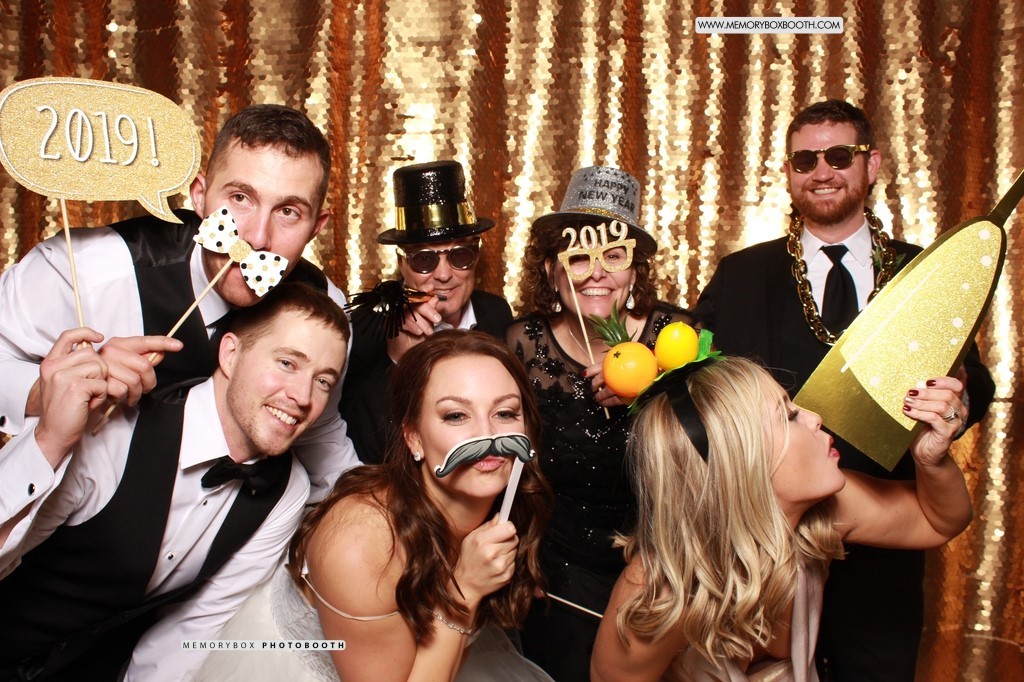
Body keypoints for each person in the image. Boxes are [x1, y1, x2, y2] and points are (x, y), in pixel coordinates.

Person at [692, 99, 995, 679]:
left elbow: (972, 376)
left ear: (871, 164)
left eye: (838, 156)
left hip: (886, 536)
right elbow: (695, 372)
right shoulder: (742, 274)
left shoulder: (919, 271)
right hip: (769, 545)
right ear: (789, 172)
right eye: (804, 160)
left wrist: (956, 400)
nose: (821, 172)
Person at [0, 103, 359, 499]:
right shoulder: (89, 268)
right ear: (199, 197)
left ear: (316, 227)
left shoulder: (325, 307)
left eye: (289, 211)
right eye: (240, 197)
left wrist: (365, 508)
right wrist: (56, 389)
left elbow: (320, 431)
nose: (258, 238)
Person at [0, 283, 351, 681]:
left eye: (323, 381)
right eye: (287, 363)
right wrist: (50, 442)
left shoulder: (288, 490)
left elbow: (191, 633)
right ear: (230, 354)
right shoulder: (111, 429)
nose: (303, 396)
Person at [590, 355, 973, 681]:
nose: (815, 418)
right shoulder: (660, 592)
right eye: (789, 415)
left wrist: (931, 461)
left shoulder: (825, 513)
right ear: (741, 464)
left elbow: (937, 521)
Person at [199, 330, 553, 681]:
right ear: (413, 437)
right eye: (456, 416)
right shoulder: (360, 542)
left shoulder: (509, 504)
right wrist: (466, 592)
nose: (488, 436)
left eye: (505, 413)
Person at [506, 166, 692, 681]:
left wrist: (651, 390)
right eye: (578, 257)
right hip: (560, 572)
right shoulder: (522, 343)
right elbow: (509, 465)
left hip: (662, 566)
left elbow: (718, 449)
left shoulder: (678, 338)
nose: (595, 274)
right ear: (551, 270)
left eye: (613, 256)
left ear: (634, 273)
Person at [340, 160, 512, 463]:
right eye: (424, 260)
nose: (444, 275)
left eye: (460, 256)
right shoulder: (367, 326)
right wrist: (397, 360)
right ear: (402, 264)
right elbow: (364, 451)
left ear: (476, 257)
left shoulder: (496, 313)